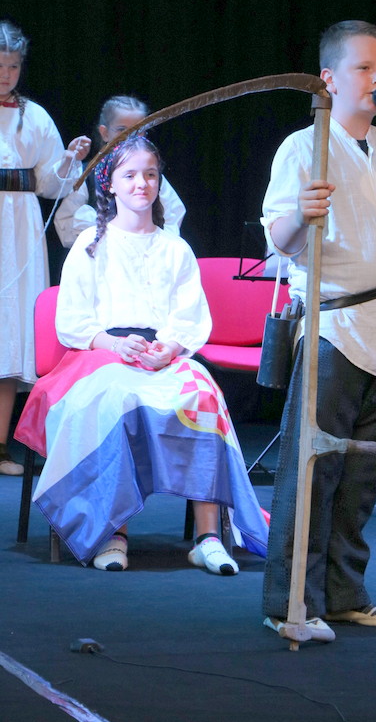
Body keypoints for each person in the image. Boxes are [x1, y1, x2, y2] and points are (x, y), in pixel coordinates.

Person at [260, 20, 376, 642]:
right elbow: (278, 241)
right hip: (336, 326)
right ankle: (292, 601)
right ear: (330, 79)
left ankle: (344, 594)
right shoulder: (304, 147)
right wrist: (300, 215)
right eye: (365, 68)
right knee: (313, 470)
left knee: (366, 473)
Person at [15, 135, 268, 573]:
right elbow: (71, 319)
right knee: (117, 399)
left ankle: (207, 536)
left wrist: (169, 347)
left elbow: (189, 315)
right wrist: (113, 344)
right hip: (100, 353)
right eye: (130, 175)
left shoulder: (175, 247)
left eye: (150, 174)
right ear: (110, 184)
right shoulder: (91, 244)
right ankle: (113, 532)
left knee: (204, 394)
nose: (141, 183)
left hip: (160, 352)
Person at [0, 20, 91, 476]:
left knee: (11, 332)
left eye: (13, 66)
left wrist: (69, 160)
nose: (6, 74)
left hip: (17, 229)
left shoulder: (33, 116)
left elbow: (51, 186)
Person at [54, 95, 186, 248]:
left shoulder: (151, 176)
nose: (130, 137)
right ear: (105, 133)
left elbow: (172, 215)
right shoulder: (89, 175)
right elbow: (65, 223)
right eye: (122, 130)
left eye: (139, 130)